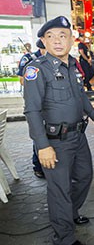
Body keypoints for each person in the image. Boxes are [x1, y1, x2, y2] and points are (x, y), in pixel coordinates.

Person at [23, 16, 94, 245]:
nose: (57, 41)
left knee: (84, 176)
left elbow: (80, 96)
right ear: (43, 41)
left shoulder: (72, 65)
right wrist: (42, 146)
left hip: (78, 136)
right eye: (50, 37)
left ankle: (69, 213)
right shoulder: (37, 69)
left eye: (63, 35)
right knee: (59, 189)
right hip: (55, 141)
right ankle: (63, 238)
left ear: (72, 39)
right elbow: (31, 110)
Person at [17, 39, 47, 179]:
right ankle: (38, 166)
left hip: (50, 104)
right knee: (38, 134)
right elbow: (22, 81)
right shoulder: (29, 59)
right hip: (36, 103)